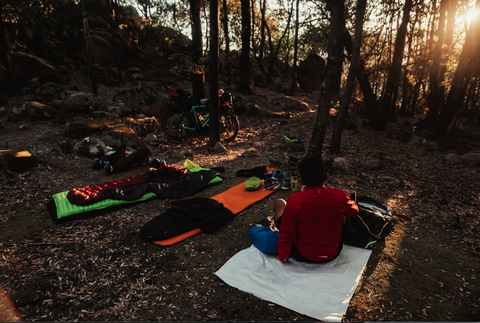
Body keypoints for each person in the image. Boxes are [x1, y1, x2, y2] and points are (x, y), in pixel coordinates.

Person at [274, 155, 359, 263]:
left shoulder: (295, 200)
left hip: (302, 254)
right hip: (333, 253)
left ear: (301, 181)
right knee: (342, 213)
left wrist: (283, 256)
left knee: (279, 203)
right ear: (326, 176)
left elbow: (286, 233)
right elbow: (354, 212)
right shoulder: (339, 196)